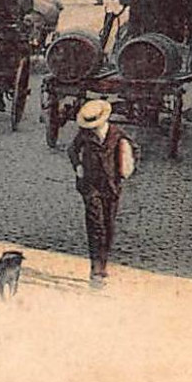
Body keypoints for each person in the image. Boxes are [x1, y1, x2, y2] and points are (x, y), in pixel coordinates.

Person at [68, 99, 136, 287]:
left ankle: (103, 264)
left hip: (111, 186)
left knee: (108, 225)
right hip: (90, 187)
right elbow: (72, 150)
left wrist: (126, 167)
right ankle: (96, 269)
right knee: (95, 224)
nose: (93, 129)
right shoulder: (84, 134)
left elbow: (133, 150)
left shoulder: (117, 135)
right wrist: (78, 166)